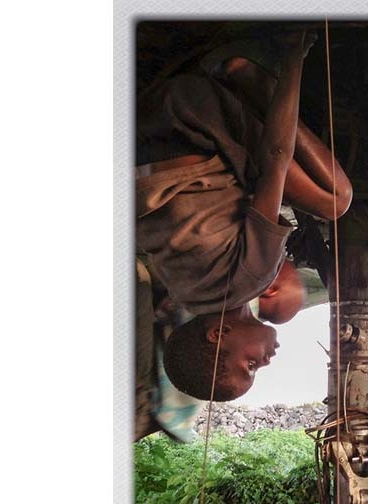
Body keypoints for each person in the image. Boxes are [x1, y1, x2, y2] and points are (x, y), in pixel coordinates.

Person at [136, 29, 352, 401]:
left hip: (191, 113)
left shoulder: (250, 279)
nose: (266, 362)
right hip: (146, 125)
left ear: (218, 334)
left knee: (336, 201)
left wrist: (293, 58)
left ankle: (241, 72)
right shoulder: (183, 292)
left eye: (250, 365)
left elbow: (276, 157)